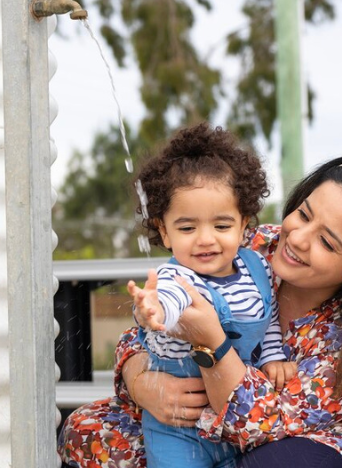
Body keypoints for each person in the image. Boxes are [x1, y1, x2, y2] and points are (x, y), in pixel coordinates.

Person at [59, 153, 342, 468]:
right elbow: (146, 329)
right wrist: (141, 382)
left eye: (327, 242)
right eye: (303, 214)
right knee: (87, 430)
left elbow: (256, 423)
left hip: (305, 446)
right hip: (214, 428)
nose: (298, 239)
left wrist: (211, 343)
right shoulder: (247, 248)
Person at [124, 123, 296, 468]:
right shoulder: (177, 276)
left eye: (221, 226)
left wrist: (272, 357)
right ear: (164, 231)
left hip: (229, 427)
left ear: (244, 223)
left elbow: (270, 319)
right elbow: (171, 301)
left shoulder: (257, 268)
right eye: (187, 228)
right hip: (178, 428)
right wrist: (153, 312)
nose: (205, 239)